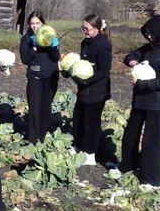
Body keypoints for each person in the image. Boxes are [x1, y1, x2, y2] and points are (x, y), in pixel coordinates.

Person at [119, 14, 160, 190]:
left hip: (156, 103)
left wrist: (142, 83)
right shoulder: (148, 48)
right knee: (130, 134)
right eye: (147, 34)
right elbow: (130, 55)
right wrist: (131, 61)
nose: (149, 37)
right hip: (139, 101)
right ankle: (127, 166)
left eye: (152, 33)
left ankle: (151, 180)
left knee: (151, 141)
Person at [70, 14, 112, 166]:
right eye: (83, 28)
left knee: (91, 123)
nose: (84, 31)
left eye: (87, 29)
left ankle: (90, 154)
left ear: (96, 29)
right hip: (84, 89)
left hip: (97, 90)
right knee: (78, 119)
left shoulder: (103, 45)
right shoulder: (85, 43)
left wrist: (87, 80)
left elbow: (104, 71)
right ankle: (78, 146)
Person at [19, 11, 60, 143]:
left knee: (46, 108)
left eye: (38, 23)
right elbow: (25, 59)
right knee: (34, 109)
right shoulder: (26, 39)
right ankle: (32, 139)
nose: (35, 26)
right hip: (35, 77)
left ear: (43, 23)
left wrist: (54, 48)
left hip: (50, 77)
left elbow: (56, 58)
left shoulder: (50, 37)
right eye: (32, 23)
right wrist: (34, 47)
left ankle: (41, 137)